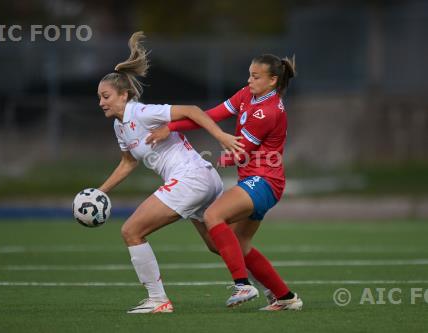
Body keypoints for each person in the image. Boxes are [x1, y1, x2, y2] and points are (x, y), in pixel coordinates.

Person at [96, 31, 244, 314]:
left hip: (191, 178)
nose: (101, 102)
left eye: (106, 96)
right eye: (99, 97)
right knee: (218, 244)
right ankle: (275, 291)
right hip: (200, 178)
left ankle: (157, 299)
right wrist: (100, 192)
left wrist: (221, 136)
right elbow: (128, 162)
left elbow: (192, 110)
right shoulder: (120, 126)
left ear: (124, 95)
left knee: (132, 231)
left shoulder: (141, 112)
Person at [146, 54, 303, 311]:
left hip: (264, 181)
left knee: (213, 215)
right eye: (249, 74)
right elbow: (210, 116)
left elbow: (240, 153)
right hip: (257, 180)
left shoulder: (268, 111)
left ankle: (242, 284)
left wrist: (204, 162)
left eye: (255, 76)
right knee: (239, 244)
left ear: (273, 81)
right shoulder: (247, 95)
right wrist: (172, 127)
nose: (249, 80)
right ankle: (286, 297)